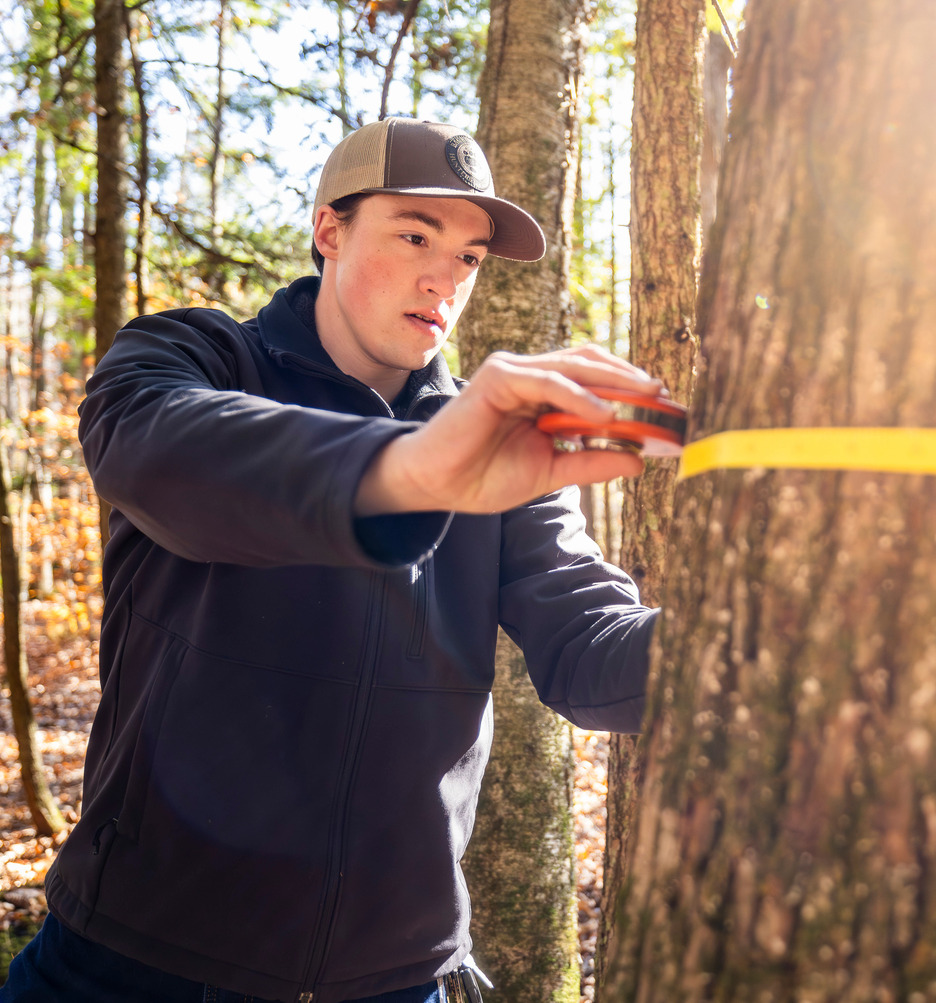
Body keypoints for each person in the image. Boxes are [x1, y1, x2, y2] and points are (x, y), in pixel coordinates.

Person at [1, 117, 660, 1002]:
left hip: (395, 977)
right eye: (415, 234)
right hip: (136, 959)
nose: (445, 277)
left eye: (468, 257)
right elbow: (165, 454)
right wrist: (415, 471)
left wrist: (766, 643)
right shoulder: (192, 357)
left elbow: (591, 648)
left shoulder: (499, 449)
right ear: (330, 231)